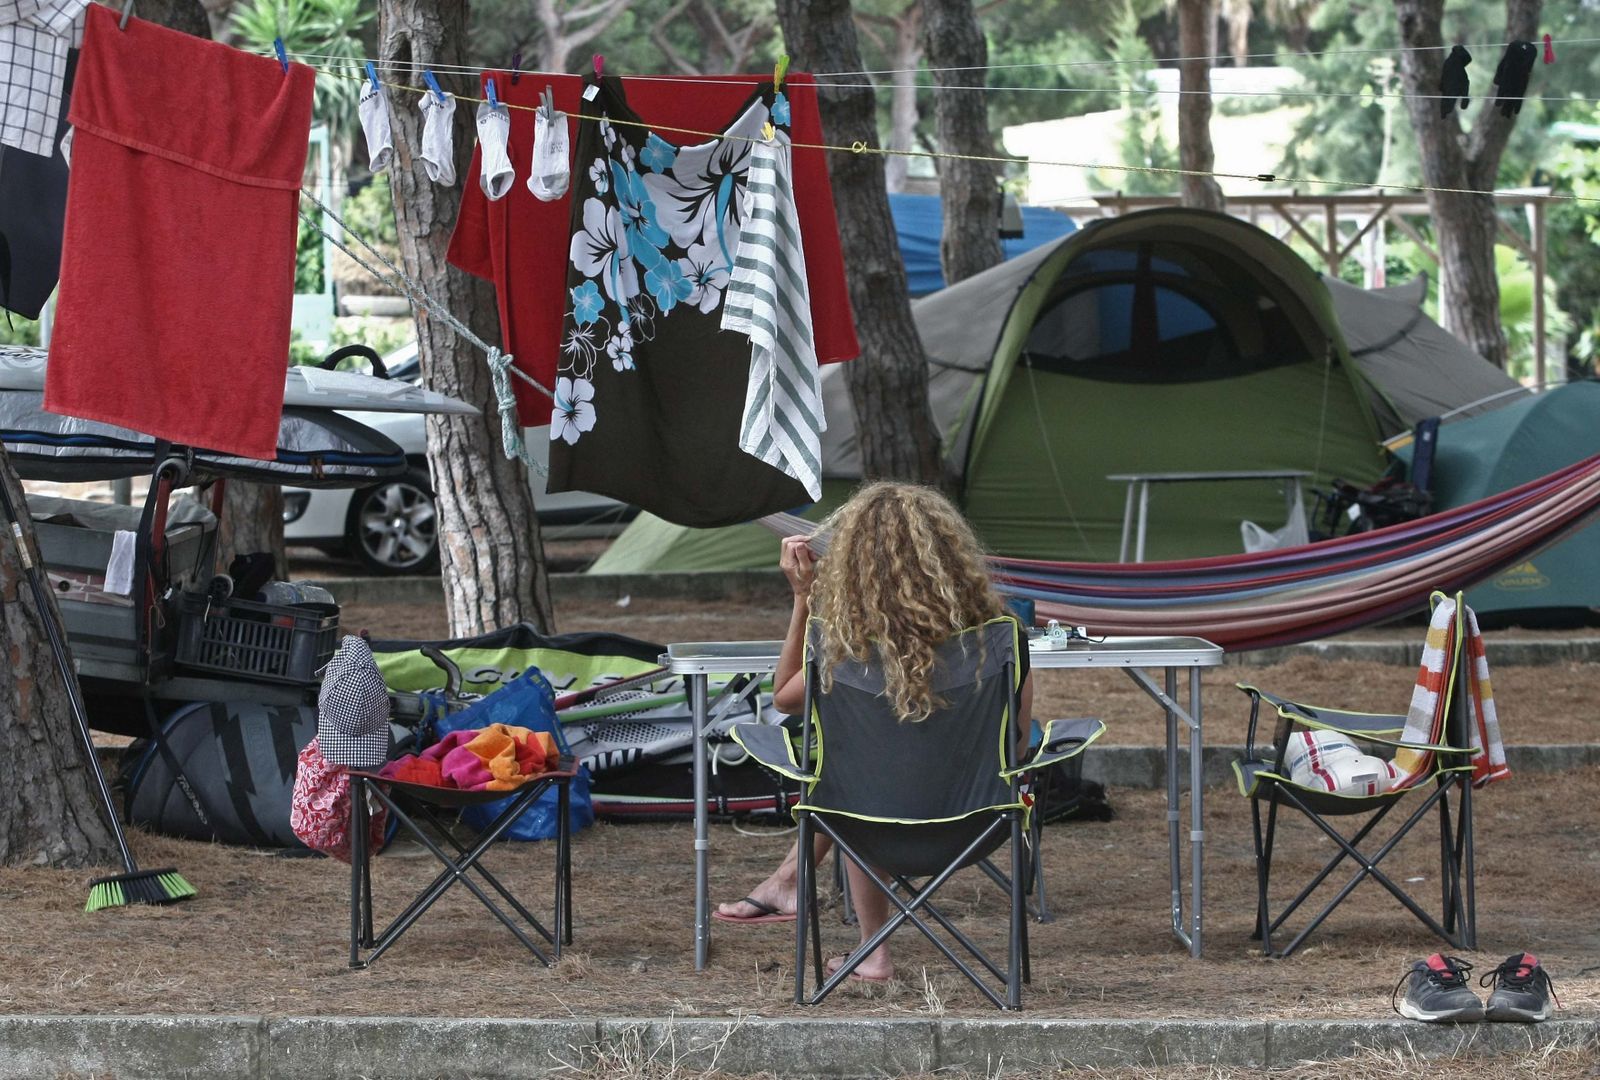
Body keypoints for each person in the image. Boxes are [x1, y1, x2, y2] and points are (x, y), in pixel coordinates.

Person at [713, 481, 1034, 983]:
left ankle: (873, 948)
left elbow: (783, 697)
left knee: (859, 787)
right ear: (953, 557)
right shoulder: (1001, 640)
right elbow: (1014, 745)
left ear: (852, 565)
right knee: (871, 782)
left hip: (865, 831)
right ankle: (800, 885)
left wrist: (803, 598)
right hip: (979, 827)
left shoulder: (843, 651)